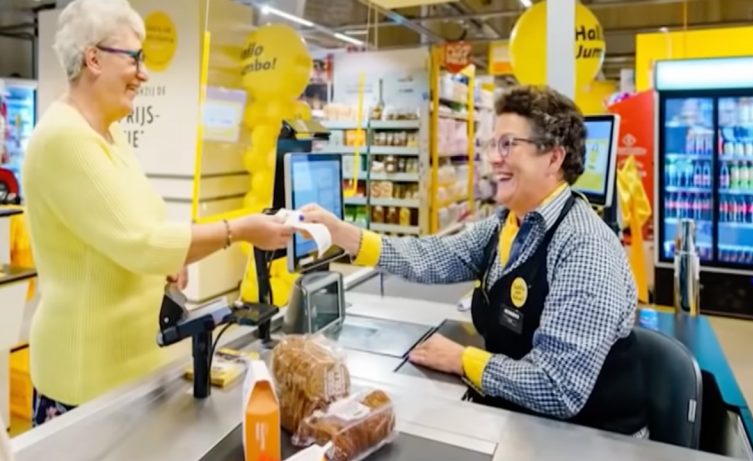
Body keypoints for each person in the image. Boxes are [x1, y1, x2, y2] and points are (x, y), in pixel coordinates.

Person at [302, 85, 648, 436]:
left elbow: (557, 386)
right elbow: (432, 257)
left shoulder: (585, 247)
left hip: (591, 441)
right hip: (525, 425)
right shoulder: (507, 223)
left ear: (554, 158)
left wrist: (462, 359)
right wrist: (343, 234)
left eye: (509, 145)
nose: (493, 158)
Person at [22, 0, 293, 426]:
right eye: (135, 58)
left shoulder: (107, 136)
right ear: (93, 58)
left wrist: (172, 260)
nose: (144, 73)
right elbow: (143, 243)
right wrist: (238, 229)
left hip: (126, 368)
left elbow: (133, 227)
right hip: (85, 376)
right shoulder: (64, 139)